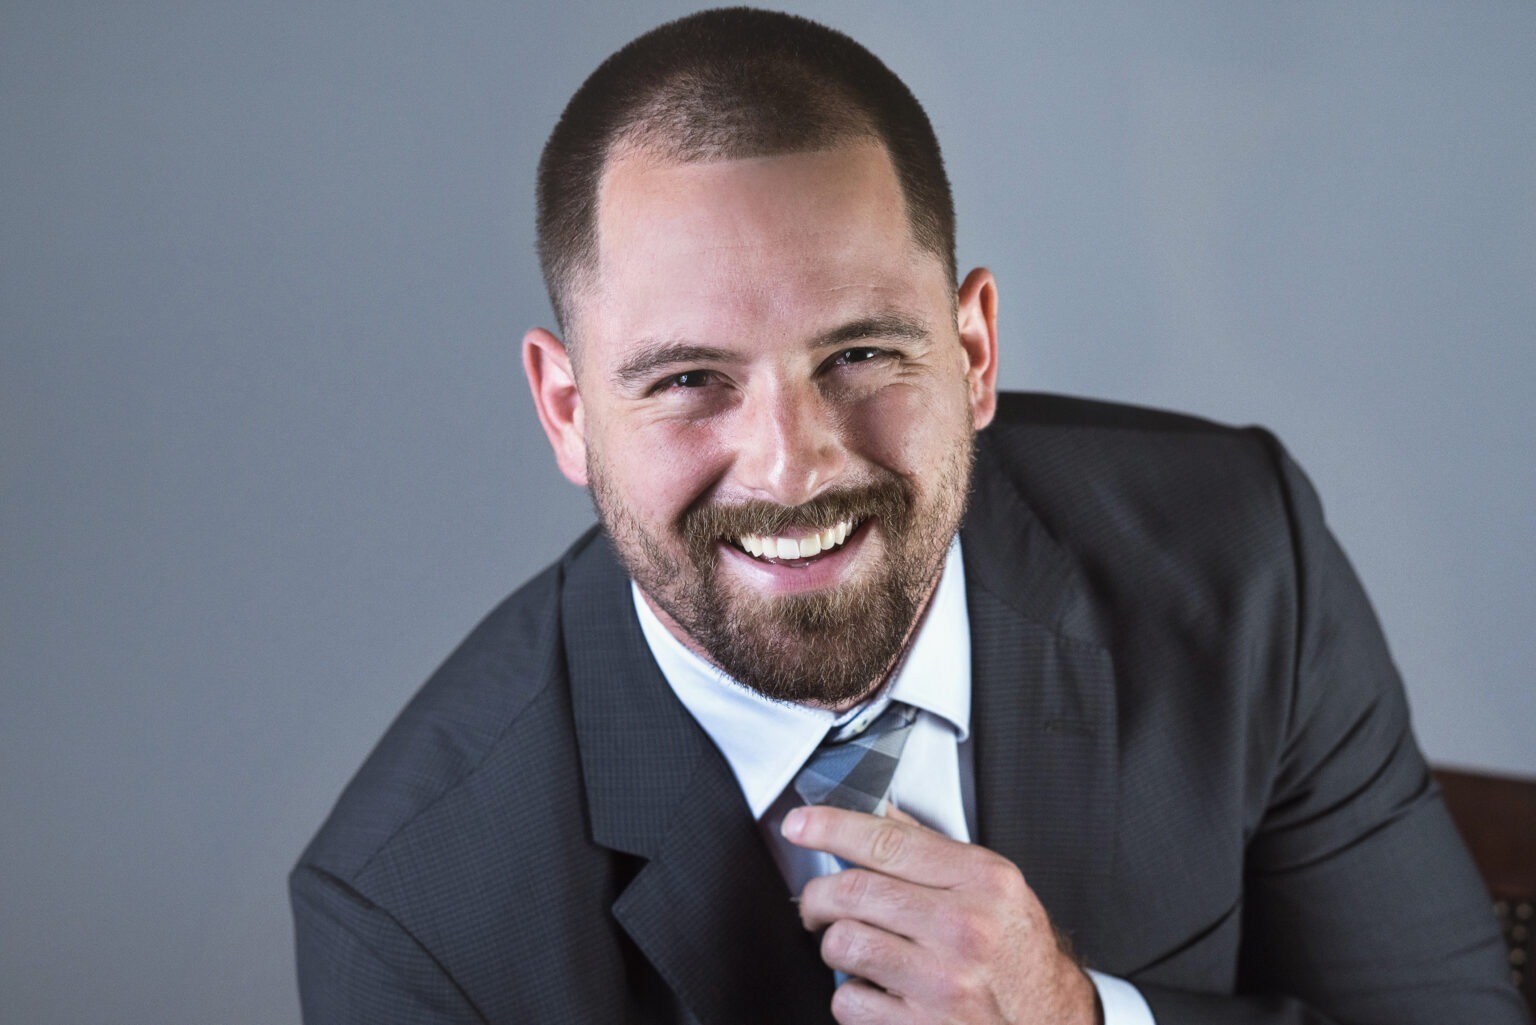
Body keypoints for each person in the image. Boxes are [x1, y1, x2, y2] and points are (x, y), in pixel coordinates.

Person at [290, 9, 1527, 1024]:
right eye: (687, 381)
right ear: (566, 410)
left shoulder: (1241, 556)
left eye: (864, 352)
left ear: (975, 348)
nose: (791, 467)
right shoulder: (415, 913)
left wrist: (1078, 1018)